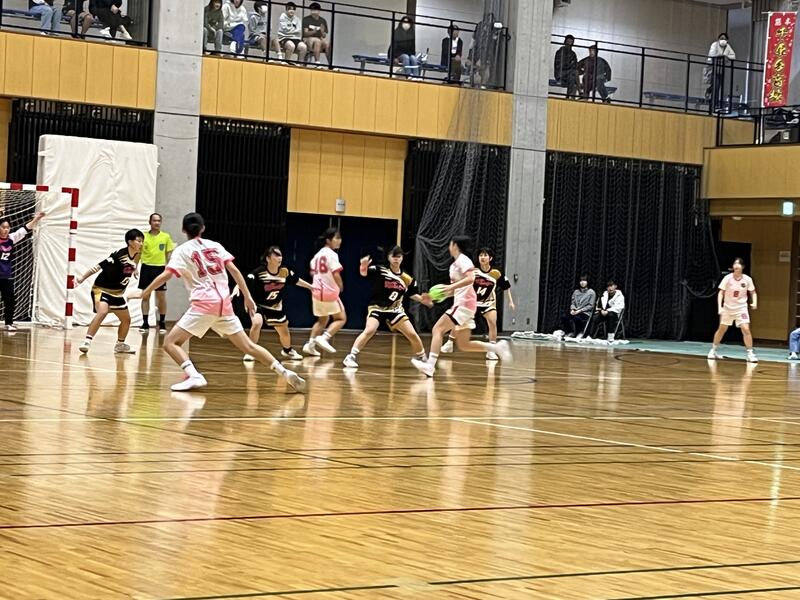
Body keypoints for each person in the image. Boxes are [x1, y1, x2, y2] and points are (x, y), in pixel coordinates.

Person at [139, 213, 306, 393]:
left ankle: (194, 375)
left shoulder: (182, 250)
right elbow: (235, 271)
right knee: (249, 346)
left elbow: (167, 274)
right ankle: (285, 372)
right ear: (203, 228)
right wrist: (248, 297)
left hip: (204, 304)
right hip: (224, 305)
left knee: (170, 343)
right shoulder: (216, 246)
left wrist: (146, 291)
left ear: (183, 229)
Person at [411, 236, 511, 378]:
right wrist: (432, 297)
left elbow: (471, 279)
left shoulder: (463, 260)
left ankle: (430, 366)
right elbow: (456, 289)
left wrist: (450, 287)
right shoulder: (454, 265)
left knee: (437, 329)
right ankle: (496, 348)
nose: (449, 247)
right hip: (466, 304)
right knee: (464, 345)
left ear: (455, 246)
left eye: (450, 244)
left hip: (464, 303)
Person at [343, 246, 433, 369]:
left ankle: (423, 358)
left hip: (395, 310)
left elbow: (411, 294)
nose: (396, 259)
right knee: (370, 330)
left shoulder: (407, 278)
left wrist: (423, 300)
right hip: (377, 307)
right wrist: (363, 266)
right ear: (388, 257)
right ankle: (351, 356)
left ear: (402, 258)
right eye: (393, 256)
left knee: (412, 334)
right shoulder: (380, 270)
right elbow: (364, 273)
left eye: (399, 256)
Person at [76, 228, 143, 355]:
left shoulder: (138, 252)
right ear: (130, 242)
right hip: (101, 288)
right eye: (139, 241)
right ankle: (86, 342)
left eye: (142, 241)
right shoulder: (118, 256)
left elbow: (135, 261)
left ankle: (120, 345)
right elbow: (98, 266)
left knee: (126, 320)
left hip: (117, 293)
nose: (141, 244)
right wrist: (81, 279)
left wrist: (135, 270)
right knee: (103, 311)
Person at [240, 245, 312, 362]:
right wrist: (245, 298)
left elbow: (296, 280)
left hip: (275, 306)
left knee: (284, 331)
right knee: (257, 323)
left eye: (281, 255)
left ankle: (287, 350)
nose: (280, 258)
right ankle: (250, 352)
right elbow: (243, 283)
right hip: (259, 304)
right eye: (276, 255)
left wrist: (311, 287)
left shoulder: (285, 271)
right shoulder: (259, 273)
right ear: (268, 258)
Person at [441, 247, 514, 360]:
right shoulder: (473, 271)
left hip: (488, 303)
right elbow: (462, 284)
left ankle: (491, 350)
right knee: (459, 321)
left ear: (490, 258)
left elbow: (506, 287)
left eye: (485, 255)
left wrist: (511, 301)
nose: (482, 257)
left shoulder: (497, 272)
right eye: (481, 255)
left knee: (492, 322)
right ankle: (449, 343)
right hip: (471, 302)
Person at [303, 227, 346, 356]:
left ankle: (310, 345)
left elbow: (312, 273)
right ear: (328, 240)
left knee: (322, 319)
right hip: (329, 292)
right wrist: (340, 286)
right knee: (341, 318)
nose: (339, 240)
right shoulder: (332, 254)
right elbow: (336, 273)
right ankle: (324, 337)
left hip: (316, 291)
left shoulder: (316, 256)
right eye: (337, 238)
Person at [0, 212, 45, 332]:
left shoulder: (11, 238)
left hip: (6, 276)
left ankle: (8, 323)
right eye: (3, 227)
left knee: (10, 300)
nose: (5, 230)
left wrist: (36, 219)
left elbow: (24, 229)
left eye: (7, 227)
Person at [708, 258, 757, 363]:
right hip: (728, 308)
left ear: (742, 267)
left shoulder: (747, 279)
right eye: (734, 263)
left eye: (738, 264)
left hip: (741, 308)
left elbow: (753, 292)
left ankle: (750, 353)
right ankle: (713, 350)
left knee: (746, 329)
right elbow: (721, 293)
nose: (736, 265)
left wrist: (754, 302)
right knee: (722, 329)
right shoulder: (727, 278)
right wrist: (720, 307)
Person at [138, 213, 176, 334]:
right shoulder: (143, 236)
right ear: (150, 222)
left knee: (161, 297)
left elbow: (168, 254)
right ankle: (145, 323)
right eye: (154, 220)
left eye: (159, 220)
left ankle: (162, 322)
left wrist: (169, 268)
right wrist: (134, 267)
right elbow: (138, 252)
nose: (157, 223)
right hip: (146, 268)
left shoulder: (166, 236)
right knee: (145, 296)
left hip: (160, 269)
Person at [705, 33, 736, 111]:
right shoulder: (714, 45)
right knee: (715, 85)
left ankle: (714, 102)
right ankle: (713, 104)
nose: (723, 40)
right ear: (718, 39)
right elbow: (712, 54)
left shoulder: (727, 47)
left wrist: (726, 57)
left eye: (725, 39)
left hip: (721, 69)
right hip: (712, 68)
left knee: (718, 86)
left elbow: (733, 56)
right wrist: (723, 56)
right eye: (721, 38)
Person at [554, 34, 579, 99]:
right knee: (574, 73)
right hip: (560, 75)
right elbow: (559, 65)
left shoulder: (573, 54)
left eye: (571, 42)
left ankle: (568, 98)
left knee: (573, 79)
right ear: (565, 42)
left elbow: (575, 65)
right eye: (568, 41)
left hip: (568, 75)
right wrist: (570, 65)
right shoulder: (560, 51)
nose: (569, 43)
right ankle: (580, 92)